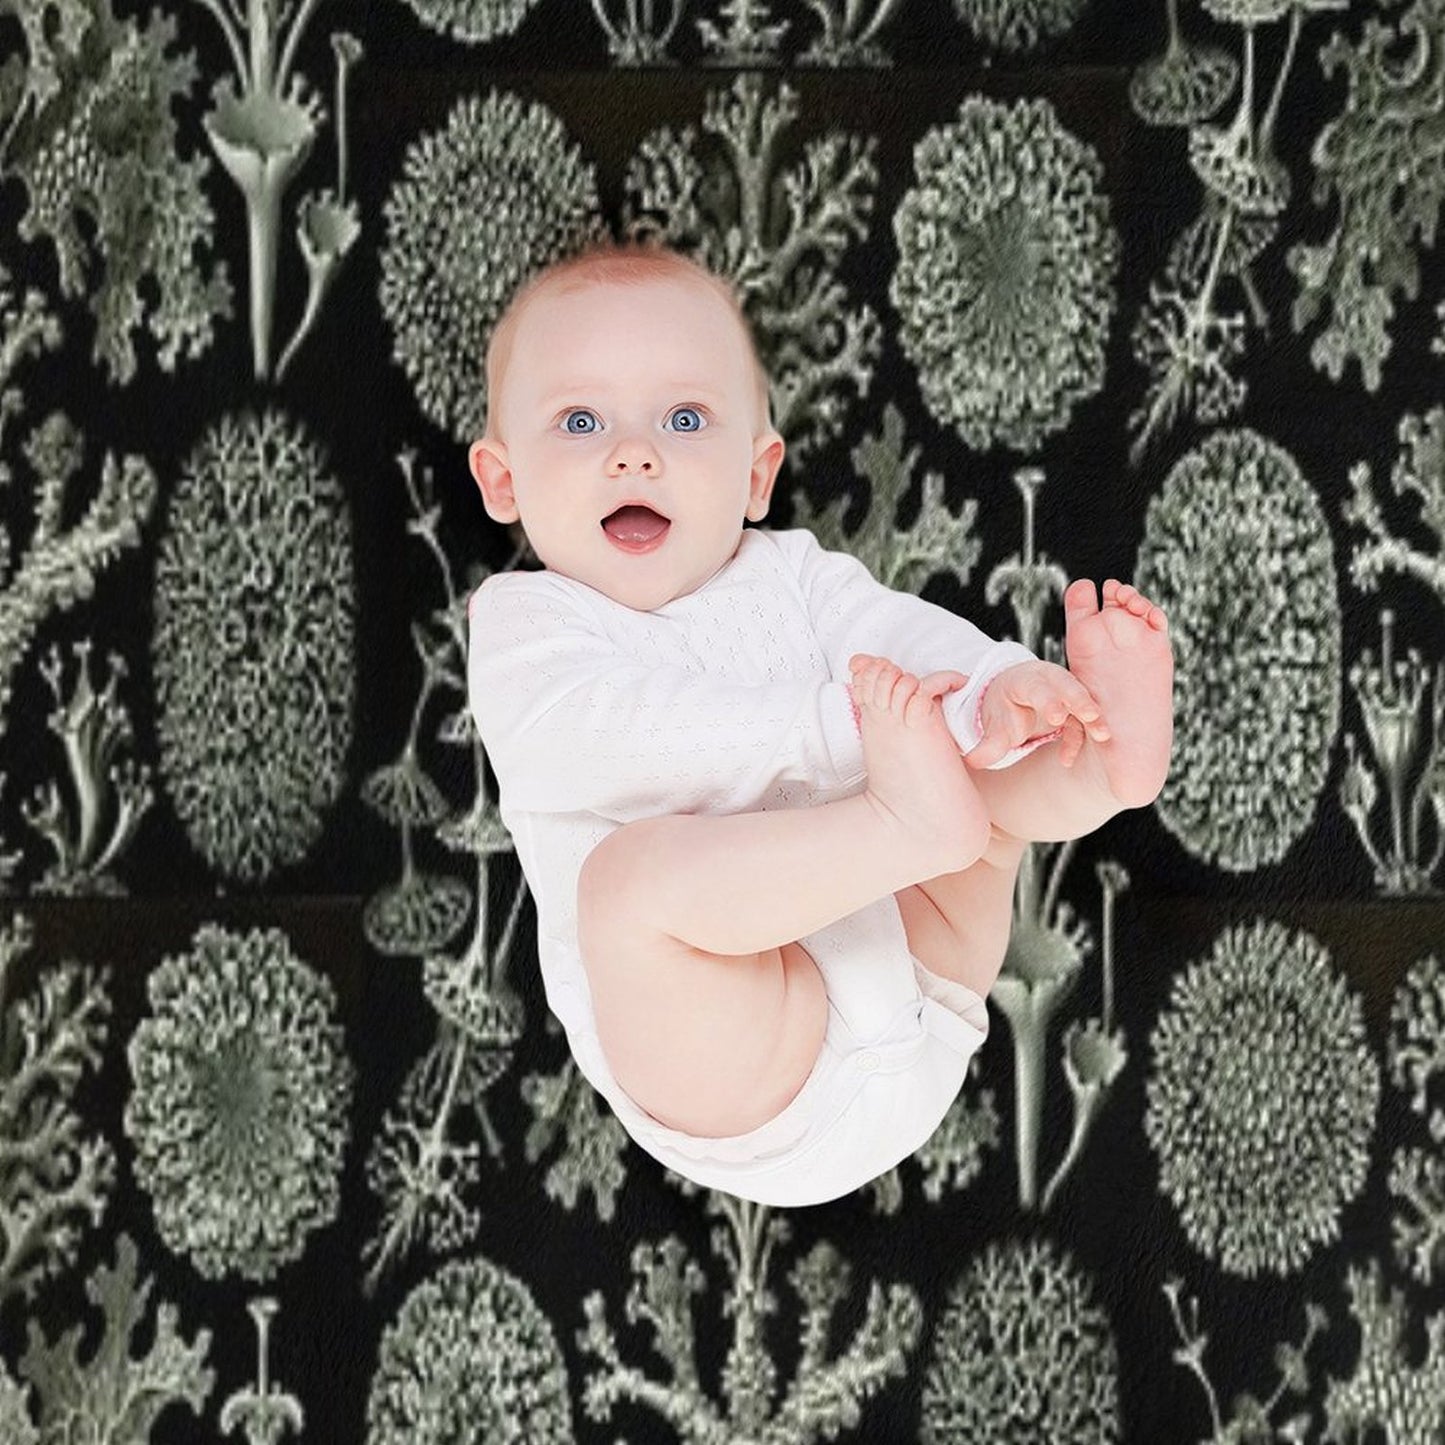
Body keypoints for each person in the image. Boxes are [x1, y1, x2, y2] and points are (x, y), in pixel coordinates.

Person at [466, 236, 1173, 1207]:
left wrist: (990, 687)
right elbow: (618, 738)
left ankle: (1094, 762)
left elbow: (898, 635)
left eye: (684, 418)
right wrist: (845, 728)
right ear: (502, 481)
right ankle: (912, 821)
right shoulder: (526, 626)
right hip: (752, 1062)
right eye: (580, 420)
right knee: (625, 887)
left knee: (974, 763)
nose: (635, 452)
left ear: (756, 475)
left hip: (922, 973)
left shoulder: (791, 573)